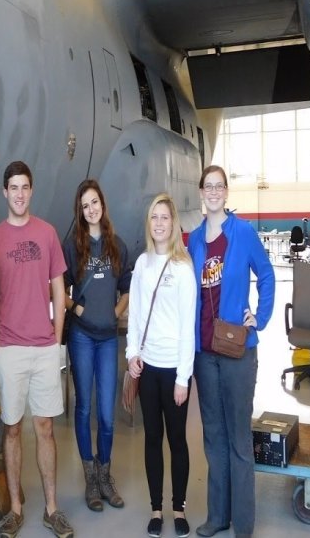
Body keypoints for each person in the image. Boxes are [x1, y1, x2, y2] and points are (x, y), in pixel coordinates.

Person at [0, 161, 74, 538]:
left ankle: (52, 509)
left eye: (25, 187)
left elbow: (59, 290)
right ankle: (16, 509)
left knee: (45, 428)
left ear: (31, 191)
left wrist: (56, 339)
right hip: (10, 350)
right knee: (12, 429)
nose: (19, 194)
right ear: (5, 192)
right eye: (14, 188)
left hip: (44, 348)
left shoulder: (47, 233)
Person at [187, 166, 275, 538]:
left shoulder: (243, 233)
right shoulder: (194, 240)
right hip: (205, 353)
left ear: (226, 192)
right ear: (200, 192)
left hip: (238, 350)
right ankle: (217, 516)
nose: (213, 191)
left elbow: (266, 274)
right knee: (214, 437)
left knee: (239, 438)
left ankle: (243, 523)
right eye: (208, 186)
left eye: (219, 186)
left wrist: (261, 317)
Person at [126, 193, 196, 538]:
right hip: (148, 368)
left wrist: (183, 377)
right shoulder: (142, 264)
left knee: (177, 440)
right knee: (152, 439)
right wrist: (131, 354)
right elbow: (136, 314)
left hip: (174, 371)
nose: (159, 223)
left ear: (173, 223)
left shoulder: (183, 268)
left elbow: (187, 326)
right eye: (154, 217)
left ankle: (178, 508)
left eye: (164, 217)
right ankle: (156, 509)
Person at [62, 180, 130, 513]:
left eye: (94, 202)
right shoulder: (73, 246)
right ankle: (90, 477)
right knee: (84, 408)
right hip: (82, 336)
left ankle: (105, 475)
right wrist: (77, 309)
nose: (91, 209)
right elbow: (59, 289)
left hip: (107, 339)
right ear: (80, 210)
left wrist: (115, 313)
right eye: (85, 205)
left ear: (102, 203)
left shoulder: (118, 245)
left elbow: (127, 288)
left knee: (106, 413)